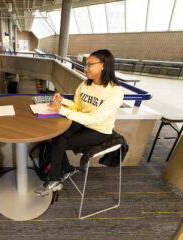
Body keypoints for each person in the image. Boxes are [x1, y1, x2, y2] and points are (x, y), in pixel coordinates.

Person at [35, 49, 124, 196]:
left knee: (57, 144)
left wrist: (62, 110)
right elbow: (78, 107)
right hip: (82, 122)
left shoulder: (115, 92)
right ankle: (67, 170)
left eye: (90, 64)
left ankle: (54, 179)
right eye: (85, 64)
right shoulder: (85, 84)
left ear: (103, 65)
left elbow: (95, 118)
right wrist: (62, 101)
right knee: (57, 136)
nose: (85, 67)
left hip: (99, 130)